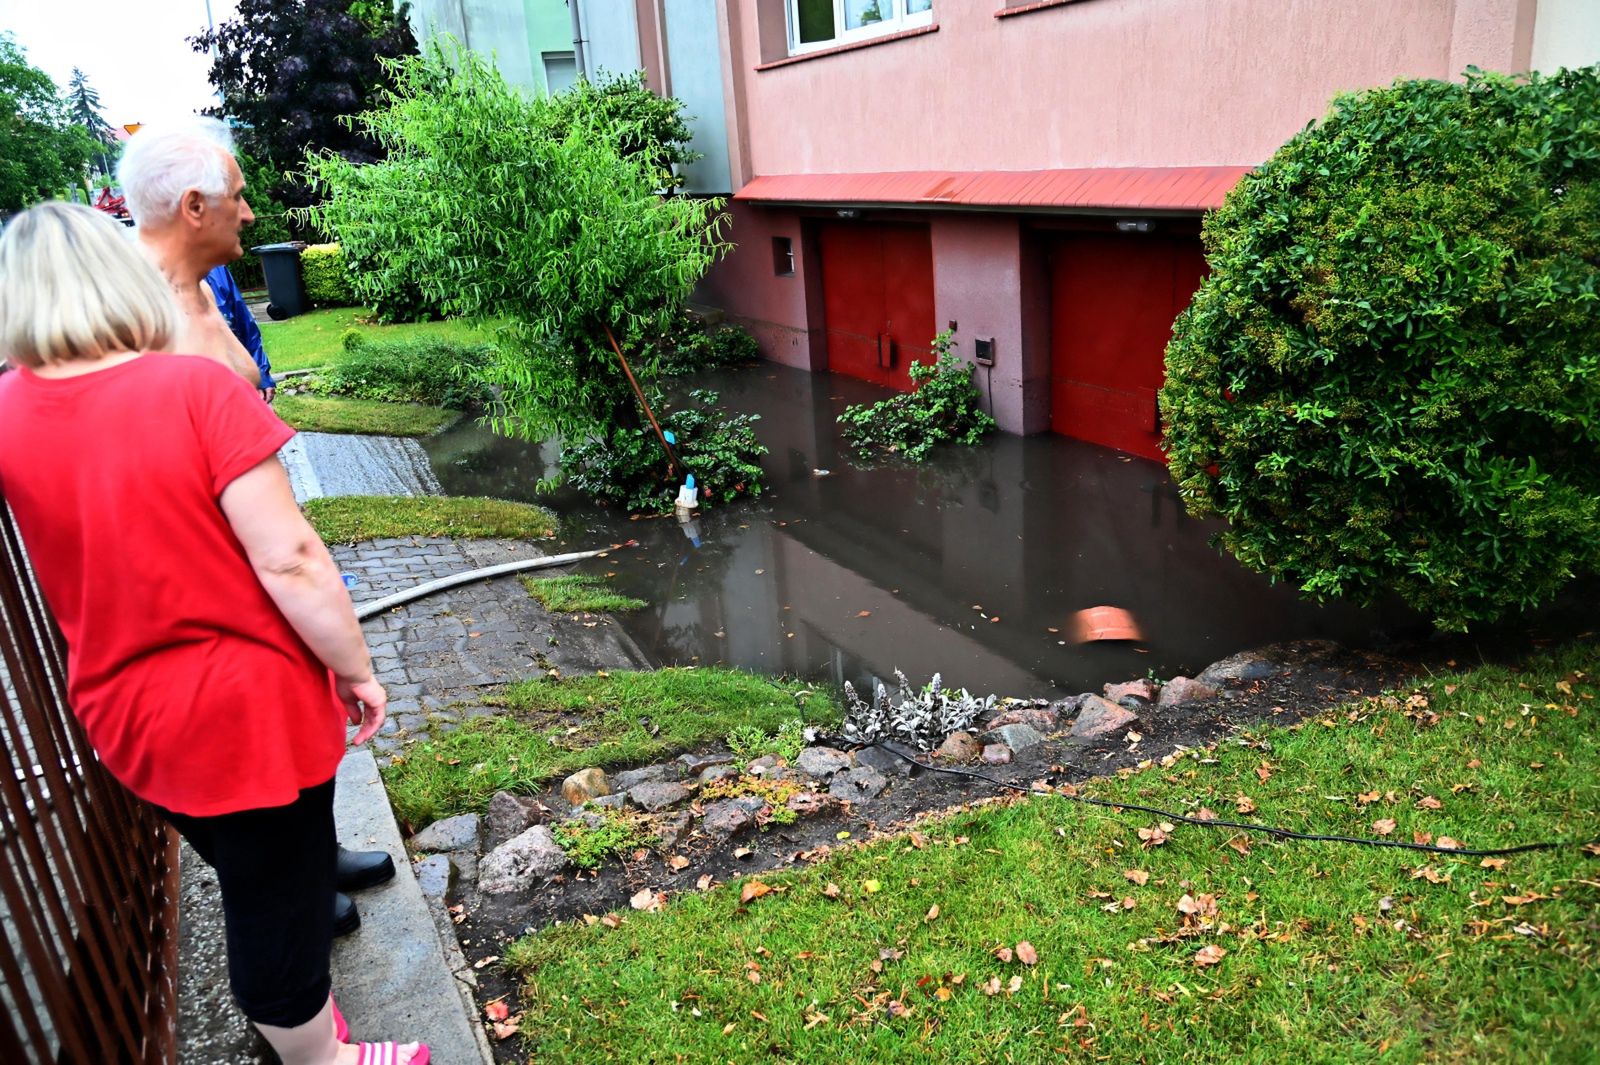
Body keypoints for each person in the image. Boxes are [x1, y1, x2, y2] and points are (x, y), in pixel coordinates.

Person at [0, 201, 428, 1065]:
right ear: (119, 277)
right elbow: (293, 559)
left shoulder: (8, 411)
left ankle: (303, 1017)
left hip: (126, 714)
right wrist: (357, 667)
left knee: (253, 870)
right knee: (274, 915)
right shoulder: (191, 389)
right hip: (246, 710)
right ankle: (321, 1056)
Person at [120, 117, 395, 934]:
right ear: (195, 205)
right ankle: (290, 886)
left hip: (257, 523)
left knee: (305, 692)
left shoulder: (209, 283)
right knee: (255, 724)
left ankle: (319, 849)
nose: (250, 213)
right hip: (207, 559)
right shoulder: (126, 315)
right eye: (238, 199)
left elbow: (246, 367)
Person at [208, 262, 276, 402]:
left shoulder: (217, 270)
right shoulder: (156, 277)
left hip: (235, 383)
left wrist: (261, 375)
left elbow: (244, 324)